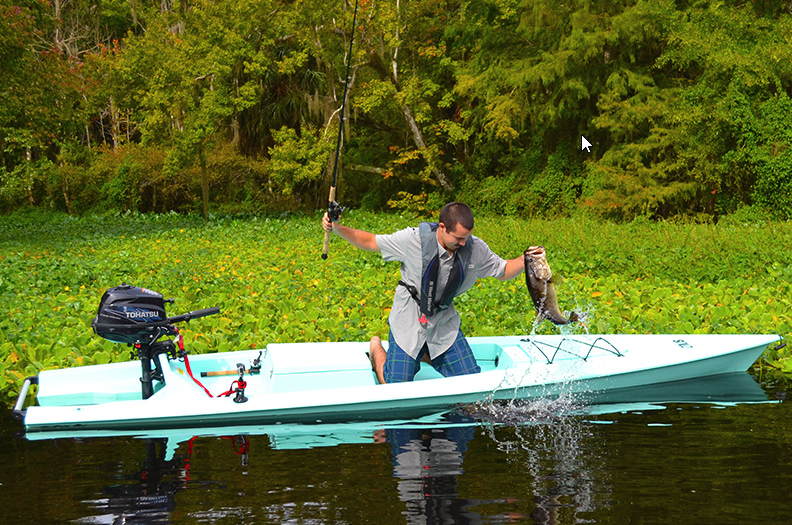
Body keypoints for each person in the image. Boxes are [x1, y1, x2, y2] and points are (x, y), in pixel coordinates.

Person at [322, 202, 540, 384]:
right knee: (394, 386)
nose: (463, 243)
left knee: (470, 383)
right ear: (442, 227)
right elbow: (370, 241)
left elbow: (503, 271)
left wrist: (524, 260)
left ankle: (426, 353)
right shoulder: (412, 240)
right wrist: (337, 228)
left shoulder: (474, 249)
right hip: (409, 319)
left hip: (443, 322)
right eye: (458, 238)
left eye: (467, 237)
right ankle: (377, 348)